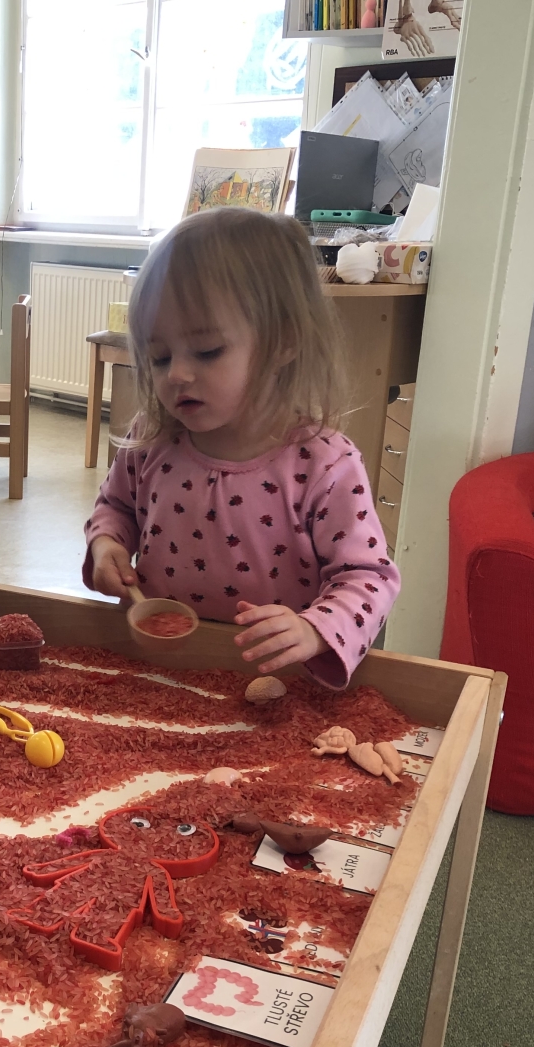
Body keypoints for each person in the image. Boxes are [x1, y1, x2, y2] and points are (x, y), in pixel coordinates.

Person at [83, 206, 399, 689]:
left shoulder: (325, 464)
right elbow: (116, 507)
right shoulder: (153, 438)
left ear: (284, 341)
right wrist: (107, 543)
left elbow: (369, 576)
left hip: (273, 682)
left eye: (207, 351)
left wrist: (316, 629)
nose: (177, 374)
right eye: (159, 356)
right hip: (163, 670)